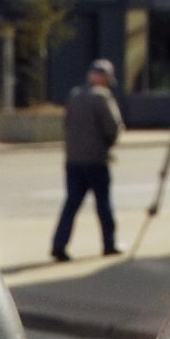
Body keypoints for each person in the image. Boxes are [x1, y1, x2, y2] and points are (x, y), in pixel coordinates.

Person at [51, 58, 123, 262]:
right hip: (96, 160)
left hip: (73, 160)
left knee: (71, 204)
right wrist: (108, 145)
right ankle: (109, 244)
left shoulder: (74, 95)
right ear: (104, 78)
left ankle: (59, 245)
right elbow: (113, 128)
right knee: (103, 203)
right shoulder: (102, 97)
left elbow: (66, 124)